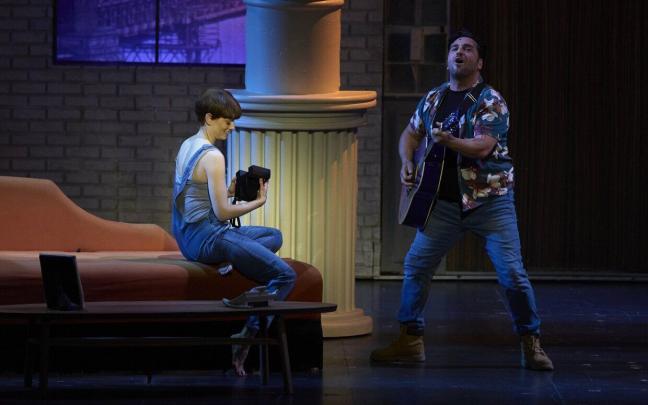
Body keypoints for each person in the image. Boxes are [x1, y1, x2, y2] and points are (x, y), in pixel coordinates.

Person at [370, 30, 553, 370]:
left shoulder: (490, 100)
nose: (459, 52)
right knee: (416, 265)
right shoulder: (434, 98)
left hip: (490, 202)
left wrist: (449, 141)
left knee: (512, 274)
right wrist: (407, 160)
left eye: (468, 49)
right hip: (444, 204)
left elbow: (483, 146)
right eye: (455, 48)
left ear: (479, 62)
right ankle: (410, 340)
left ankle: (531, 341)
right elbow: (410, 133)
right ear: (448, 59)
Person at [171, 88, 296, 376]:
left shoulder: (189, 144)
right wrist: (258, 202)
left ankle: (233, 263)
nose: (232, 127)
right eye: (227, 121)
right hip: (207, 238)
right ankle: (247, 335)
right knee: (286, 276)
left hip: (189, 236)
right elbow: (223, 213)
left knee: (274, 236)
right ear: (209, 118)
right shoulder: (213, 156)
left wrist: (227, 192)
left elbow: (196, 199)